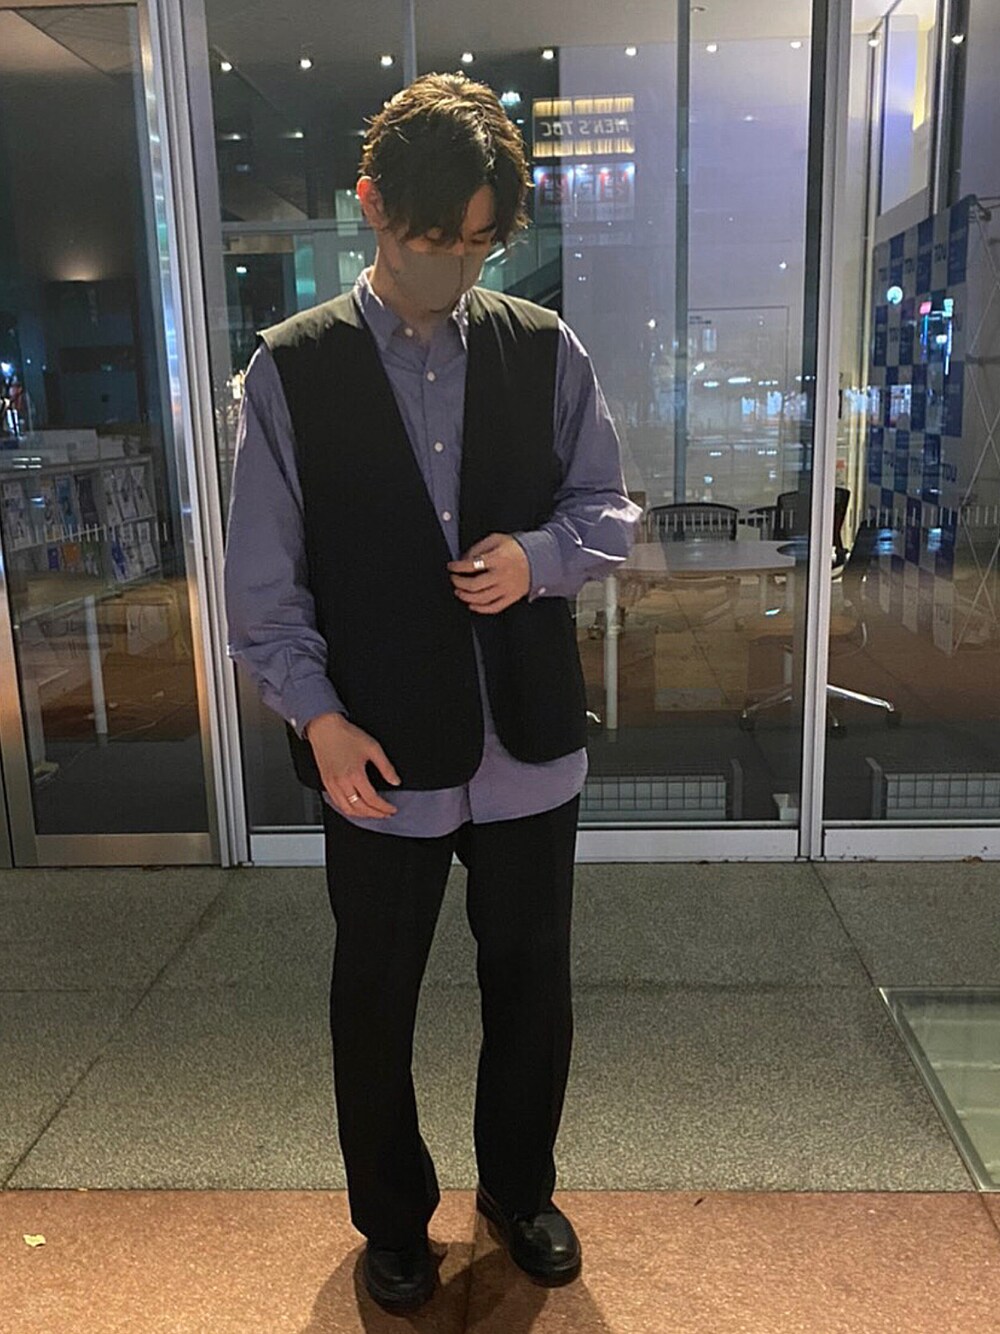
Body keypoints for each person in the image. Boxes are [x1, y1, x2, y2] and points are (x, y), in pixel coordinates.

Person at [223, 71, 641, 1315]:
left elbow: (608, 509)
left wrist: (541, 557)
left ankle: (518, 1185)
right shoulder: (291, 372)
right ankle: (393, 1218)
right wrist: (317, 717)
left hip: (528, 741)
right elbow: (264, 588)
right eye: (430, 240)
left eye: (479, 244)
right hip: (377, 744)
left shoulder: (541, 345)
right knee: (374, 992)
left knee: (533, 980)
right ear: (370, 206)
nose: (454, 269)